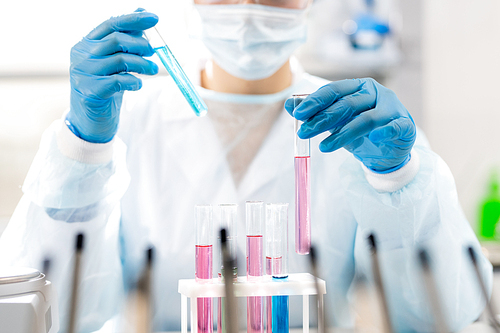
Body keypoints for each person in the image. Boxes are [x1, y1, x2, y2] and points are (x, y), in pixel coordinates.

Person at [0, 1, 492, 332]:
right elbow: (44, 308)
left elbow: (446, 312)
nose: (249, 8)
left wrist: (396, 179)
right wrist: (85, 147)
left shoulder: (361, 124)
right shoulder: (127, 120)